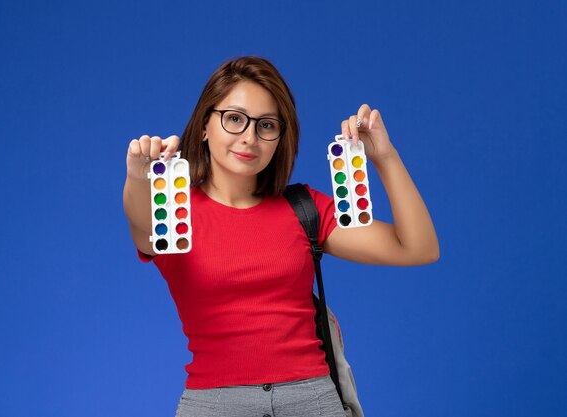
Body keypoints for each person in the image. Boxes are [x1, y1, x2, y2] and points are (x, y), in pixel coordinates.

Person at [123, 56, 439, 417]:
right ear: (205, 126)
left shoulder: (304, 209)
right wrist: (137, 176)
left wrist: (385, 156)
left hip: (312, 401)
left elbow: (417, 248)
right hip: (214, 405)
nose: (250, 137)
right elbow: (142, 226)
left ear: (279, 138)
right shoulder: (173, 215)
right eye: (235, 118)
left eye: (267, 125)